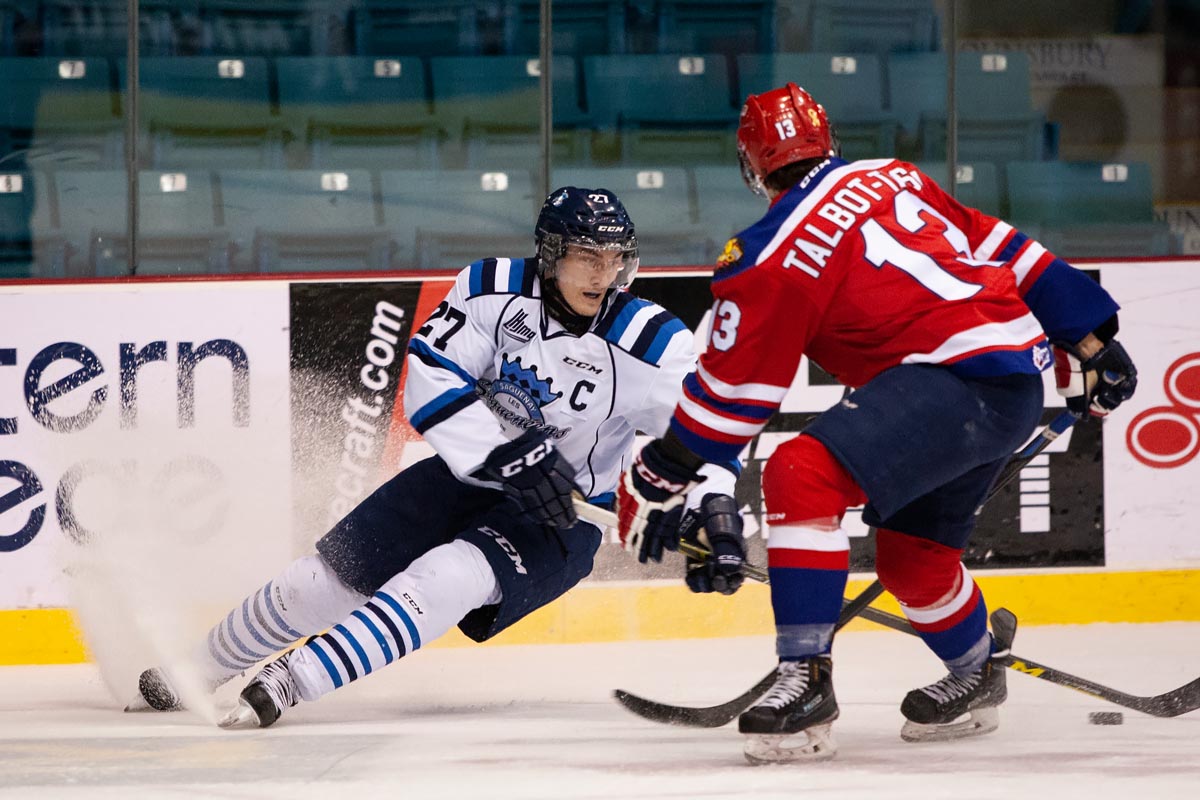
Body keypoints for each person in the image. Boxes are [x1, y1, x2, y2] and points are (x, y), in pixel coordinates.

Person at [613, 83, 1138, 764]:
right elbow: (1001, 245)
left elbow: (735, 393)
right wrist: (1092, 341)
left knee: (800, 474)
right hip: (1007, 384)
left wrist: (663, 469)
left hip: (955, 384)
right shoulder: (893, 175)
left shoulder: (769, 250)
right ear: (826, 141)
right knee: (914, 562)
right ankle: (978, 669)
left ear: (752, 167)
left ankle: (805, 680)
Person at [127, 186, 743, 727]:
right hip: (465, 475)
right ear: (551, 253)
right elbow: (430, 373)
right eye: (587, 256)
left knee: (449, 577)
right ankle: (196, 669)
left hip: (560, 516)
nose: (602, 275)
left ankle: (293, 679)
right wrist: (509, 455)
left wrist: (713, 509)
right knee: (317, 584)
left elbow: (703, 433)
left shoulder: (654, 344)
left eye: (613, 259)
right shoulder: (490, 288)